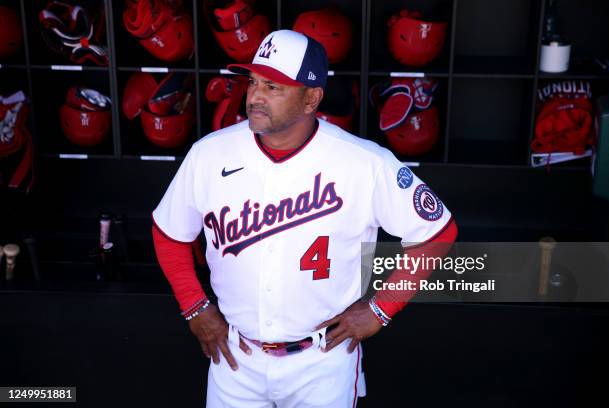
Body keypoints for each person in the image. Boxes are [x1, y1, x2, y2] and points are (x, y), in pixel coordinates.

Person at [152, 29, 458, 408]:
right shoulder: (209, 154)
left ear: (311, 98)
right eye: (254, 82)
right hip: (235, 357)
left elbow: (437, 232)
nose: (256, 96)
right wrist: (194, 305)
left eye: (274, 87)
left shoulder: (364, 162)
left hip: (323, 361)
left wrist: (382, 308)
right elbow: (169, 232)